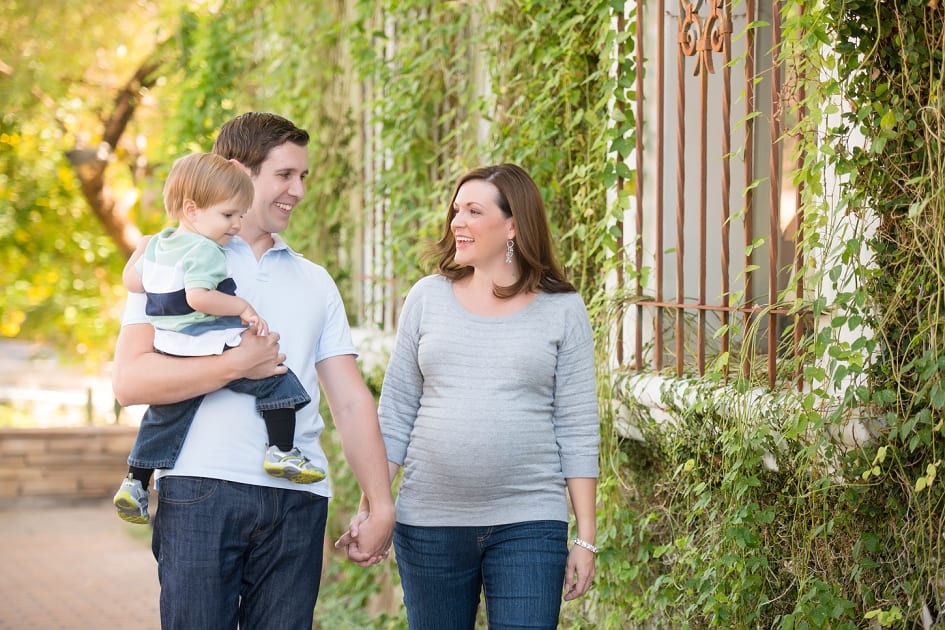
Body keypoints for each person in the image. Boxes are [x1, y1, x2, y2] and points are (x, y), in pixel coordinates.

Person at [111, 112, 395, 629]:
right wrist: (235, 364)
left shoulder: (316, 281)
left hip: (298, 500)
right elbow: (130, 382)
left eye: (303, 177)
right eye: (285, 175)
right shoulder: (171, 257)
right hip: (201, 488)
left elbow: (350, 401)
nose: (299, 190)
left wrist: (380, 505)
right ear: (239, 171)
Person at [337, 163, 600, 629]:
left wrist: (585, 538)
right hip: (430, 524)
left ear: (514, 223)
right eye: (456, 210)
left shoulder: (562, 308)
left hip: (530, 521)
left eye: (474, 211)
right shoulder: (427, 297)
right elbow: (397, 410)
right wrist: (371, 507)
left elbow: (577, 424)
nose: (457, 221)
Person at [113, 152, 324, 525]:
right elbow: (198, 297)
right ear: (192, 210)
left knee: (165, 415)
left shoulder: (160, 244)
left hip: (170, 346)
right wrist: (240, 305)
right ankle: (281, 451)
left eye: (240, 214)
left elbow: (132, 281)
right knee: (276, 381)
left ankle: (135, 481)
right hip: (206, 339)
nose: (236, 224)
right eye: (229, 216)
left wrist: (140, 252)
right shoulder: (207, 251)